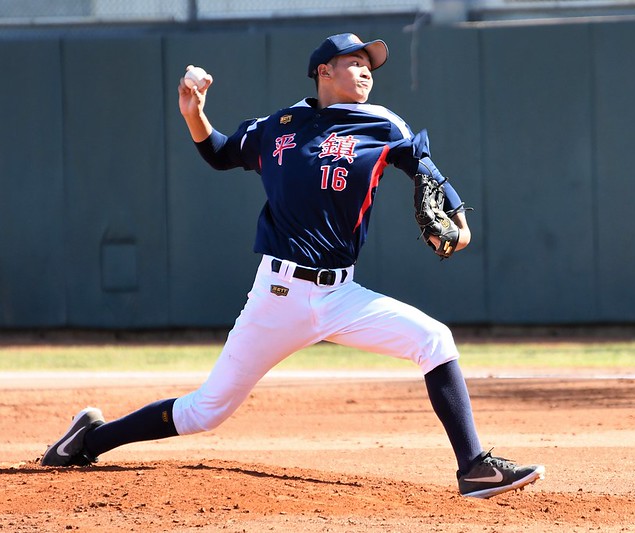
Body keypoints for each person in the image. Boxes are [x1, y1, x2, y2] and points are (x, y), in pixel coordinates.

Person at [40, 32, 545, 499]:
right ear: (324, 71)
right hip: (277, 295)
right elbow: (219, 153)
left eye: (371, 65)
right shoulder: (279, 127)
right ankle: (87, 442)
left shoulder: (382, 123)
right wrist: (194, 113)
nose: (367, 71)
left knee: (434, 339)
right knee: (205, 411)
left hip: (341, 295)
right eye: (355, 62)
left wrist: (459, 219)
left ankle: (473, 468)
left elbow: (426, 170)